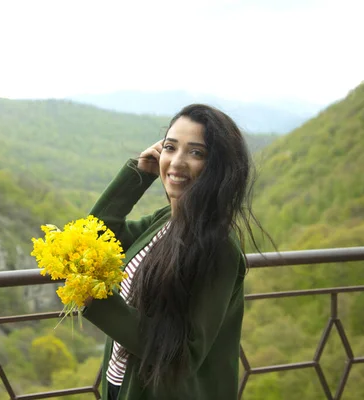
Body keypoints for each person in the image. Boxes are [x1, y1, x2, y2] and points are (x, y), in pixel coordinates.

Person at [83, 104, 268, 399]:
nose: (177, 162)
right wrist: (138, 176)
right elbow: (92, 239)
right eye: (170, 148)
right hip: (120, 384)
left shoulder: (218, 249)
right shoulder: (164, 221)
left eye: (196, 153)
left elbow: (184, 355)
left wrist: (99, 301)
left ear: (217, 167)